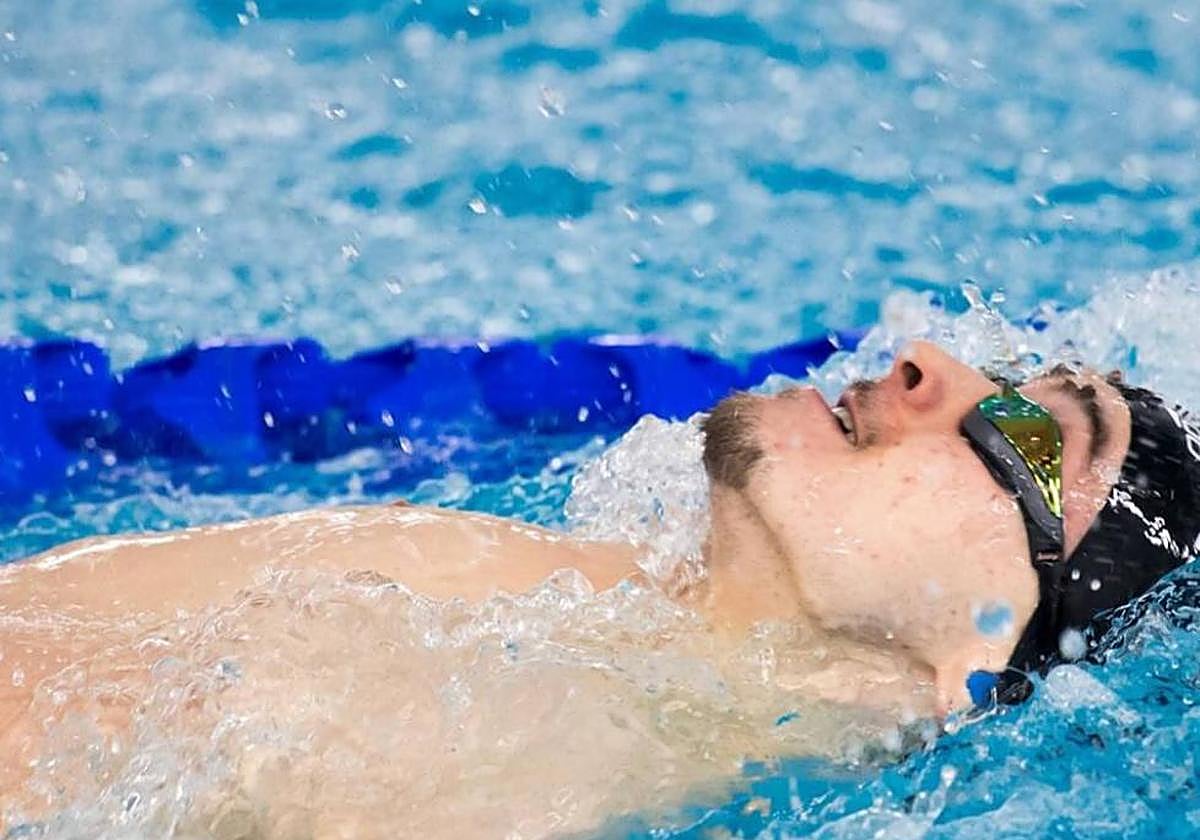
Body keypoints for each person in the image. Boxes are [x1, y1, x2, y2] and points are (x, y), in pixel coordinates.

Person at [1, 341, 1197, 834]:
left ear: (972, 673)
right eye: (1007, 378)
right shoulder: (594, 621)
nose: (930, 364)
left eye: (1029, 441)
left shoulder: (512, 739)